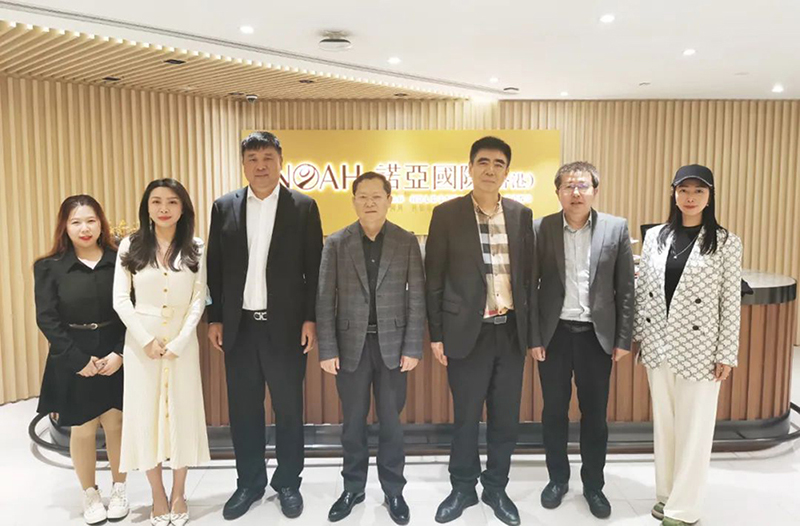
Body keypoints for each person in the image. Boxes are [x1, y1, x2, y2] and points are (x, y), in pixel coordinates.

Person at [206, 131, 323, 520]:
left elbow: (314, 268)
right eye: (253, 159)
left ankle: (288, 482)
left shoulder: (303, 207)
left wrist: (310, 318)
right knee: (244, 410)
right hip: (239, 329)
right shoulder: (224, 207)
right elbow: (215, 267)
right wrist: (215, 318)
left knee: (288, 409)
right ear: (243, 164)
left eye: (267, 158)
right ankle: (249, 483)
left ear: (280, 162)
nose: (260, 166)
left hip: (285, 328)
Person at [425, 136, 533, 526]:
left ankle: (496, 487)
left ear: (507, 171)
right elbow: (433, 279)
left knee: (505, 418)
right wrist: (436, 334)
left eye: (498, 163)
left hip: (511, 332)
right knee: (466, 417)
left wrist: (533, 334)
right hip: (466, 332)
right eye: (483, 162)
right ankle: (462, 487)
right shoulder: (447, 214)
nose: (490, 169)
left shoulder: (521, 215)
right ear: (470, 168)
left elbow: (528, 279)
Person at [634, 164, 742, 526]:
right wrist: (638, 338)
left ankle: (685, 508)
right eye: (684, 190)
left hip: (701, 350)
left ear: (710, 196)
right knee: (665, 425)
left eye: (698, 191)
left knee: (695, 430)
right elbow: (643, 292)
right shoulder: (656, 236)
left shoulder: (726, 242)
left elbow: (730, 302)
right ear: (674, 194)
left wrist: (726, 353)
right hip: (658, 345)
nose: (690, 197)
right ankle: (666, 495)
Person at [317, 172, 425, 525]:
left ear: (389, 200)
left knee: (392, 422)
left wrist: (413, 346)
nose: (369, 202)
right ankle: (353, 487)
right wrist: (327, 349)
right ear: (353, 201)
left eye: (376, 196)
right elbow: (324, 299)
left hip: (393, 346)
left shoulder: (406, 241)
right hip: (351, 346)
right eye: (362, 196)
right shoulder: (336, 242)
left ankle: (394, 490)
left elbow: (417, 297)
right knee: (353, 422)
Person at [529, 161, 635, 519]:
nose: (576, 192)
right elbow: (530, 287)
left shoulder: (615, 228)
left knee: (595, 416)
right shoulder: (541, 228)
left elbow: (625, 288)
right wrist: (534, 336)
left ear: (595, 191)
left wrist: (623, 338)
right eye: (568, 186)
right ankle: (557, 479)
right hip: (554, 335)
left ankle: (594, 485)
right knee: (553, 412)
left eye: (583, 186)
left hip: (596, 337)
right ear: (558, 192)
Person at [113, 178, 210, 526]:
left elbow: (198, 298)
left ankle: (179, 492)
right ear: (147, 208)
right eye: (156, 202)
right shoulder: (131, 245)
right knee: (145, 417)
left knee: (181, 414)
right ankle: (157, 494)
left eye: (172, 202)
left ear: (183, 208)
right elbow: (121, 299)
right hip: (143, 343)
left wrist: (181, 341)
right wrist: (144, 340)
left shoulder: (196, 246)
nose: (164, 208)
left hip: (182, 344)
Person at [34, 195, 128, 525]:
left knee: (116, 423)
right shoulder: (49, 267)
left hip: (115, 350)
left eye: (90, 220)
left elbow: (132, 309)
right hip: (72, 352)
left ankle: (120, 488)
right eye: (76, 222)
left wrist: (119, 353)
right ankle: (90, 493)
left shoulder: (121, 261)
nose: (84, 228)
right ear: (65, 226)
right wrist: (77, 360)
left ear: (101, 223)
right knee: (83, 427)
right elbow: (47, 319)